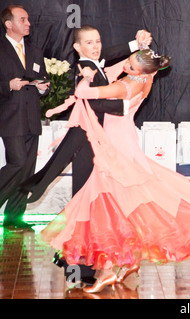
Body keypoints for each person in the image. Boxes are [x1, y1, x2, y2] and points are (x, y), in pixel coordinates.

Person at [40, 50, 190, 294]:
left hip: (115, 149)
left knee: (106, 206)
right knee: (125, 203)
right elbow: (132, 71)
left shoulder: (124, 87)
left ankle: (108, 271)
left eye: (130, 66)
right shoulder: (147, 79)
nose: (125, 68)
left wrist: (86, 76)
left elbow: (82, 93)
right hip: (126, 142)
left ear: (141, 70)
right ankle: (130, 263)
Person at [19, 25, 151, 285]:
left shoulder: (96, 65)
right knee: (86, 204)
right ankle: (86, 265)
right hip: (87, 146)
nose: (96, 46)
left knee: (96, 206)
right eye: (89, 43)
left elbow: (110, 54)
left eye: (98, 41)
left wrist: (135, 45)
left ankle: (96, 262)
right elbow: (94, 104)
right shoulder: (83, 72)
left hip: (97, 145)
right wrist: (125, 102)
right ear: (77, 48)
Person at [0, 5, 50, 231]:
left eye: (28, 19)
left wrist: (43, 87)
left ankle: (14, 218)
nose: (28, 23)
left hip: (31, 118)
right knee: (17, 163)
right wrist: (7, 85)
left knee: (28, 169)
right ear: (8, 24)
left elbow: (44, 81)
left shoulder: (35, 50)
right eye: (23, 19)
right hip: (10, 117)